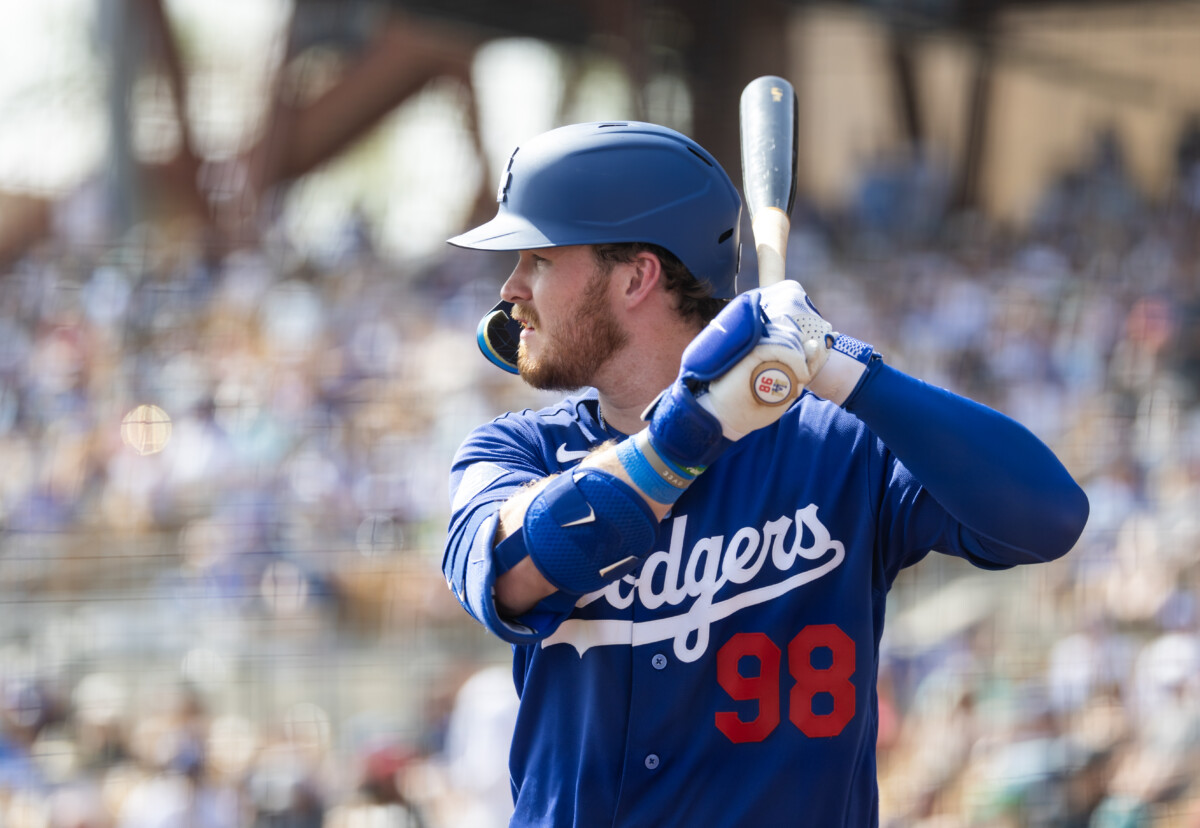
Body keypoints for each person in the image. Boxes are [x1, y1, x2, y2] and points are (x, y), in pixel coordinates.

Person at [441, 121, 1089, 827]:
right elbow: (512, 567)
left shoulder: (837, 445)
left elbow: (1049, 517)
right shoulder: (511, 452)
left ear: (635, 276)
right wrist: (690, 433)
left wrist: (840, 365)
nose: (510, 288)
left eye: (537, 259)